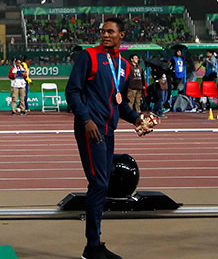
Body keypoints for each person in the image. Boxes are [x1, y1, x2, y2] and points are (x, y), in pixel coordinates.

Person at [66, 18, 147, 259]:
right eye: (103, 31)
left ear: (122, 35)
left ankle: (95, 244)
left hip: (108, 130)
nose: (105, 35)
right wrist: (86, 120)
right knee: (99, 184)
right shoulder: (89, 57)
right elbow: (72, 91)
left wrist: (137, 120)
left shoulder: (122, 65)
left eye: (111, 32)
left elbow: (119, 103)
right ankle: (92, 247)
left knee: (102, 184)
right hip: (91, 129)